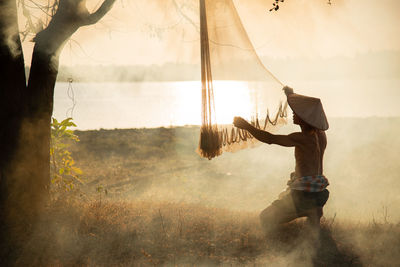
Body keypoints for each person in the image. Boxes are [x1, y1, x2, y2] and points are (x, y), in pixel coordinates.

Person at [233, 86, 330, 233]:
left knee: (265, 218)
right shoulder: (321, 135)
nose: (292, 113)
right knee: (311, 230)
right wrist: (290, 95)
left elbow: (270, 139)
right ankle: (313, 213)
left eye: (296, 112)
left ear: (305, 117)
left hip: (304, 194)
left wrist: (247, 126)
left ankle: (308, 211)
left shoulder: (302, 138)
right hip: (319, 192)